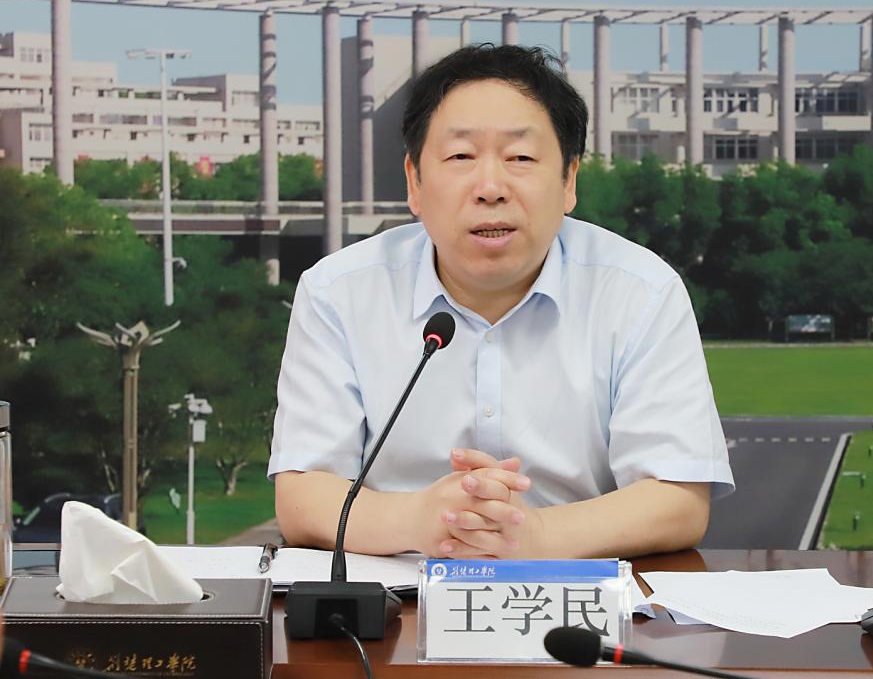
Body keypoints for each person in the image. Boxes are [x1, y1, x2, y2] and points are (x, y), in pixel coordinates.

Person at [268, 44, 733, 560]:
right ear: (414, 182)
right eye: (461, 157)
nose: (490, 188)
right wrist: (422, 521)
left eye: (520, 158)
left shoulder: (641, 291)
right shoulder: (337, 292)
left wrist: (535, 534)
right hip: (398, 597)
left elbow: (677, 499)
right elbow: (302, 496)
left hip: (579, 598)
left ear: (569, 180)